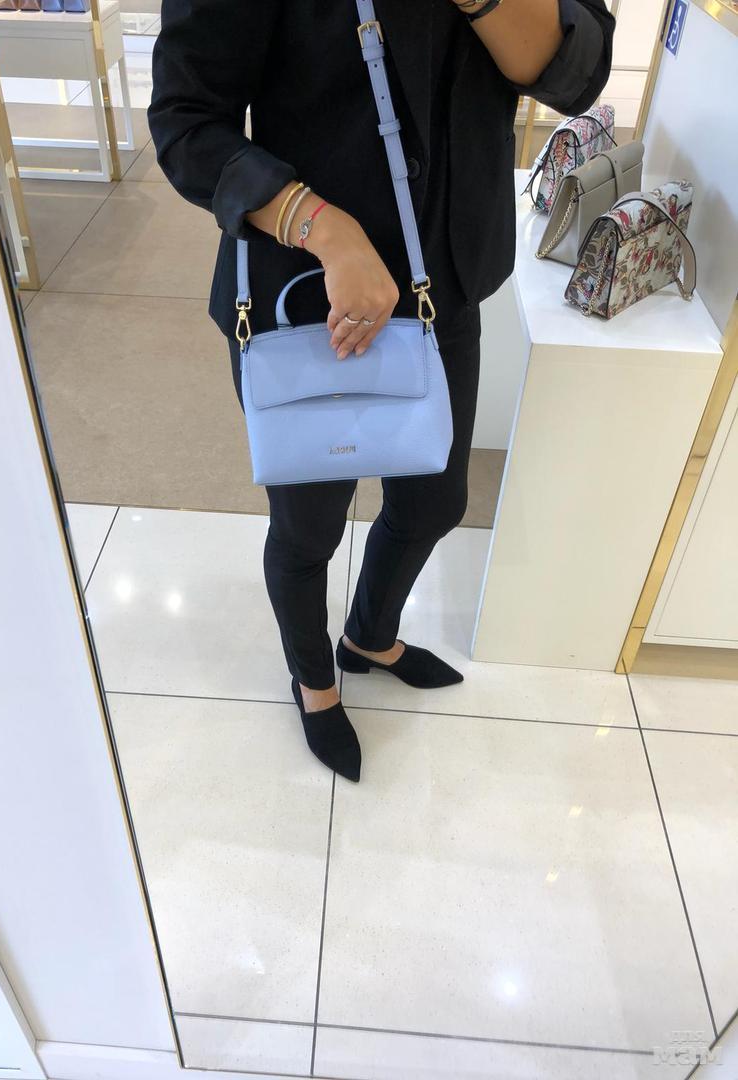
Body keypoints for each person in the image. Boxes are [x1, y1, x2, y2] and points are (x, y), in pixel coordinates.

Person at [148, 0, 614, 783]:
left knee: (434, 501)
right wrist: (322, 228)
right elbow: (186, 120)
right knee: (309, 528)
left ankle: (368, 636)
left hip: (442, 282)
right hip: (305, 294)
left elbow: (574, 71)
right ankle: (315, 682)